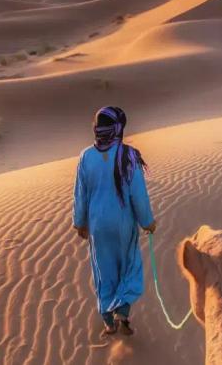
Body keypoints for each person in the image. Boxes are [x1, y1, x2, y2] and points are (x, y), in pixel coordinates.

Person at [73, 106, 157, 338]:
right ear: (120, 128)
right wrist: (147, 222)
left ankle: (109, 322)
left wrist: (80, 222)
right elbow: (138, 195)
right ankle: (123, 314)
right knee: (129, 267)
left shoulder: (86, 156)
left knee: (104, 271)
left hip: (98, 225)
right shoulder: (128, 156)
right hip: (123, 225)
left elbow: (80, 194)